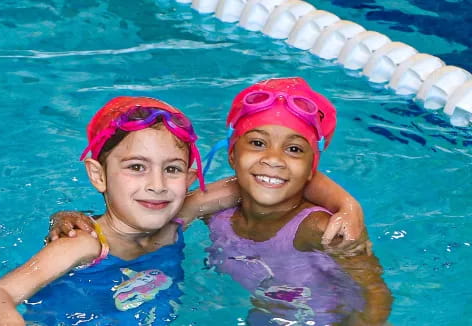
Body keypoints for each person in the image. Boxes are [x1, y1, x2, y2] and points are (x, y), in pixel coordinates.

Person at [50, 78, 392, 325]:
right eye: (257, 143)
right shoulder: (219, 209)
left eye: (294, 149)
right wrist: (70, 218)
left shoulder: (319, 228)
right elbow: (133, 219)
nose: (273, 159)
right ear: (232, 154)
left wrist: (348, 206)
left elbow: (376, 293)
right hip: (267, 313)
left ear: (310, 169)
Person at [0, 96, 209, 325]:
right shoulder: (86, 244)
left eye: (172, 169)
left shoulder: (174, 223)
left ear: (189, 179)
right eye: (136, 167)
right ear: (98, 175)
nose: (157, 185)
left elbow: (239, 186)